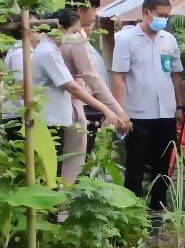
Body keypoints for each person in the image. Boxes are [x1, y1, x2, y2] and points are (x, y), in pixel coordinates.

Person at [23, 16, 126, 181]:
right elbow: (72, 87)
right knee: (50, 176)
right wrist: (106, 108)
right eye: (74, 32)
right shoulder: (48, 52)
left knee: (54, 174)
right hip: (49, 121)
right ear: (60, 29)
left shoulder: (51, 49)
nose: (76, 37)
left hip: (53, 120)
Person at [111, 0, 185, 212]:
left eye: (167, 16)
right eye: (161, 15)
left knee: (162, 164)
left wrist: (179, 105)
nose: (164, 19)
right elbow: (119, 77)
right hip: (138, 113)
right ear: (146, 13)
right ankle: (132, 208)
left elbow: (175, 74)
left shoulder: (168, 39)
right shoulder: (126, 39)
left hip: (166, 112)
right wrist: (120, 112)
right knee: (135, 163)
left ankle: (158, 206)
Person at [59, 0, 126, 161]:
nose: (95, 14)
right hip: (78, 106)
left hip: (81, 105)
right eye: (93, 9)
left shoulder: (72, 37)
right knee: (75, 160)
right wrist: (116, 110)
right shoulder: (74, 39)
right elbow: (92, 78)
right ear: (80, 11)